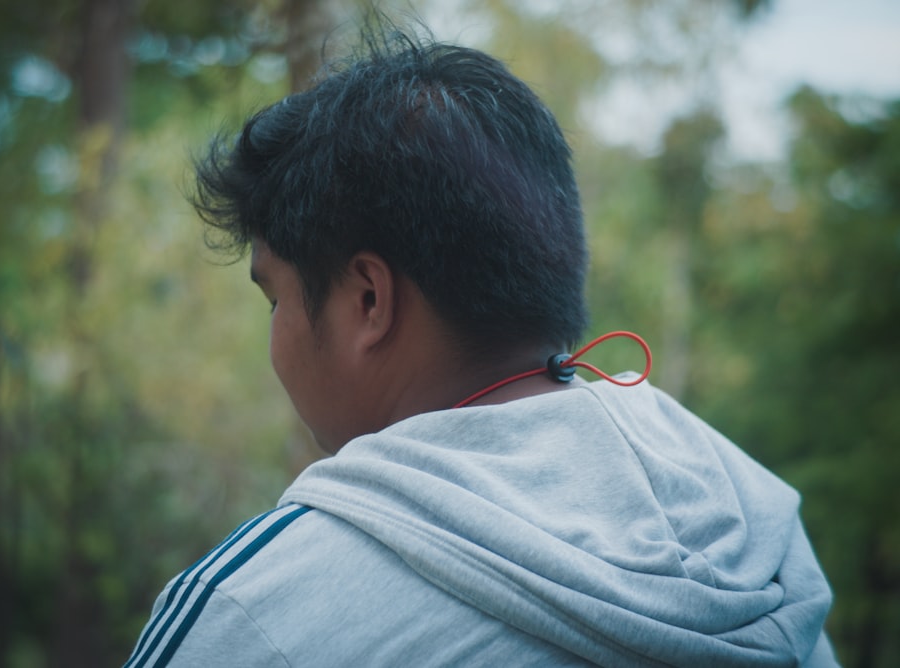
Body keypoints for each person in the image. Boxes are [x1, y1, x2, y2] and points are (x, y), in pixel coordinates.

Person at [125, 19, 837, 667]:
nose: (275, 333)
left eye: (274, 297)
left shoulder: (254, 615)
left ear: (368, 300)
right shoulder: (756, 537)